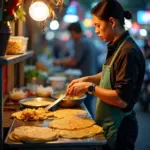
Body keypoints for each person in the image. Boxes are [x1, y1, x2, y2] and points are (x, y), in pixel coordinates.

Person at [66, 0, 145, 150]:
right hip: (109, 124)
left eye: (98, 25)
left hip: (120, 129)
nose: (96, 31)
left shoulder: (128, 52)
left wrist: (90, 88)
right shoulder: (117, 46)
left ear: (111, 22)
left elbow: (121, 100)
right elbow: (111, 73)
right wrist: (87, 78)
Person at [53, 22, 99, 118]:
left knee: (86, 106)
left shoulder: (81, 42)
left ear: (74, 32)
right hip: (91, 77)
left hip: (86, 79)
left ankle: (92, 126)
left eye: (70, 34)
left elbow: (74, 61)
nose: (71, 36)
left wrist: (58, 62)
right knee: (88, 104)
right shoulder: (87, 40)